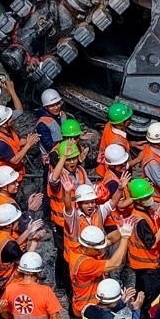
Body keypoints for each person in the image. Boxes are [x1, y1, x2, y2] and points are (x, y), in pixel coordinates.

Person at [47, 119, 91, 293]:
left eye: (74, 159)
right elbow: (53, 180)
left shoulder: (80, 171)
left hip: (77, 219)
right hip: (60, 221)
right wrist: (63, 156)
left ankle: (72, 280)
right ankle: (63, 284)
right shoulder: (59, 174)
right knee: (63, 253)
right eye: (68, 160)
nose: (72, 163)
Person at [121, 178, 160, 312]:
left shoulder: (139, 212)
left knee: (141, 293)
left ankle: (140, 316)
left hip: (139, 265)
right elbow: (152, 244)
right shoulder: (141, 220)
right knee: (151, 297)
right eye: (147, 197)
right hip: (148, 266)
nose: (150, 198)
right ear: (138, 200)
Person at [70, 223, 132, 318]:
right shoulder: (85, 264)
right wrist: (125, 237)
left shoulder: (79, 247)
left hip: (86, 304)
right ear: (87, 247)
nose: (100, 251)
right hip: (87, 307)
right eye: (97, 249)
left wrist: (121, 231)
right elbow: (115, 263)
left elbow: (109, 240)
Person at [0, 203, 46, 286]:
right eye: (17, 220)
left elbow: (10, 246)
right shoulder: (11, 246)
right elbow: (26, 264)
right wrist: (35, 241)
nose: (19, 222)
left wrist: (28, 231)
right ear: (9, 225)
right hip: (7, 279)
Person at [0, 104, 40, 175]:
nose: (12, 119)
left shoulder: (8, 129)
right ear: (4, 124)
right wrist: (28, 145)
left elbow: (16, 142)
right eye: (10, 118)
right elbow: (15, 160)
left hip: (14, 171)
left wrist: (29, 140)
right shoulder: (0, 144)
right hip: (5, 176)